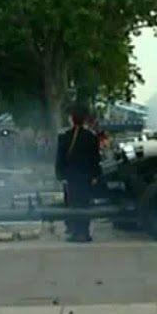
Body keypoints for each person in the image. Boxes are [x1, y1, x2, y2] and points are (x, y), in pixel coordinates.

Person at [55, 104, 101, 243]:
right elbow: (95, 159)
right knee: (85, 204)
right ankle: (84, 232)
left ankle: (75, 231)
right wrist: (95, 175)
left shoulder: (64, 137)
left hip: (71, 176)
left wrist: (60, 175)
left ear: (71, 119)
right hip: (86, 177)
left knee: (72, 204)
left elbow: (60, 159)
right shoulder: (91, 137)